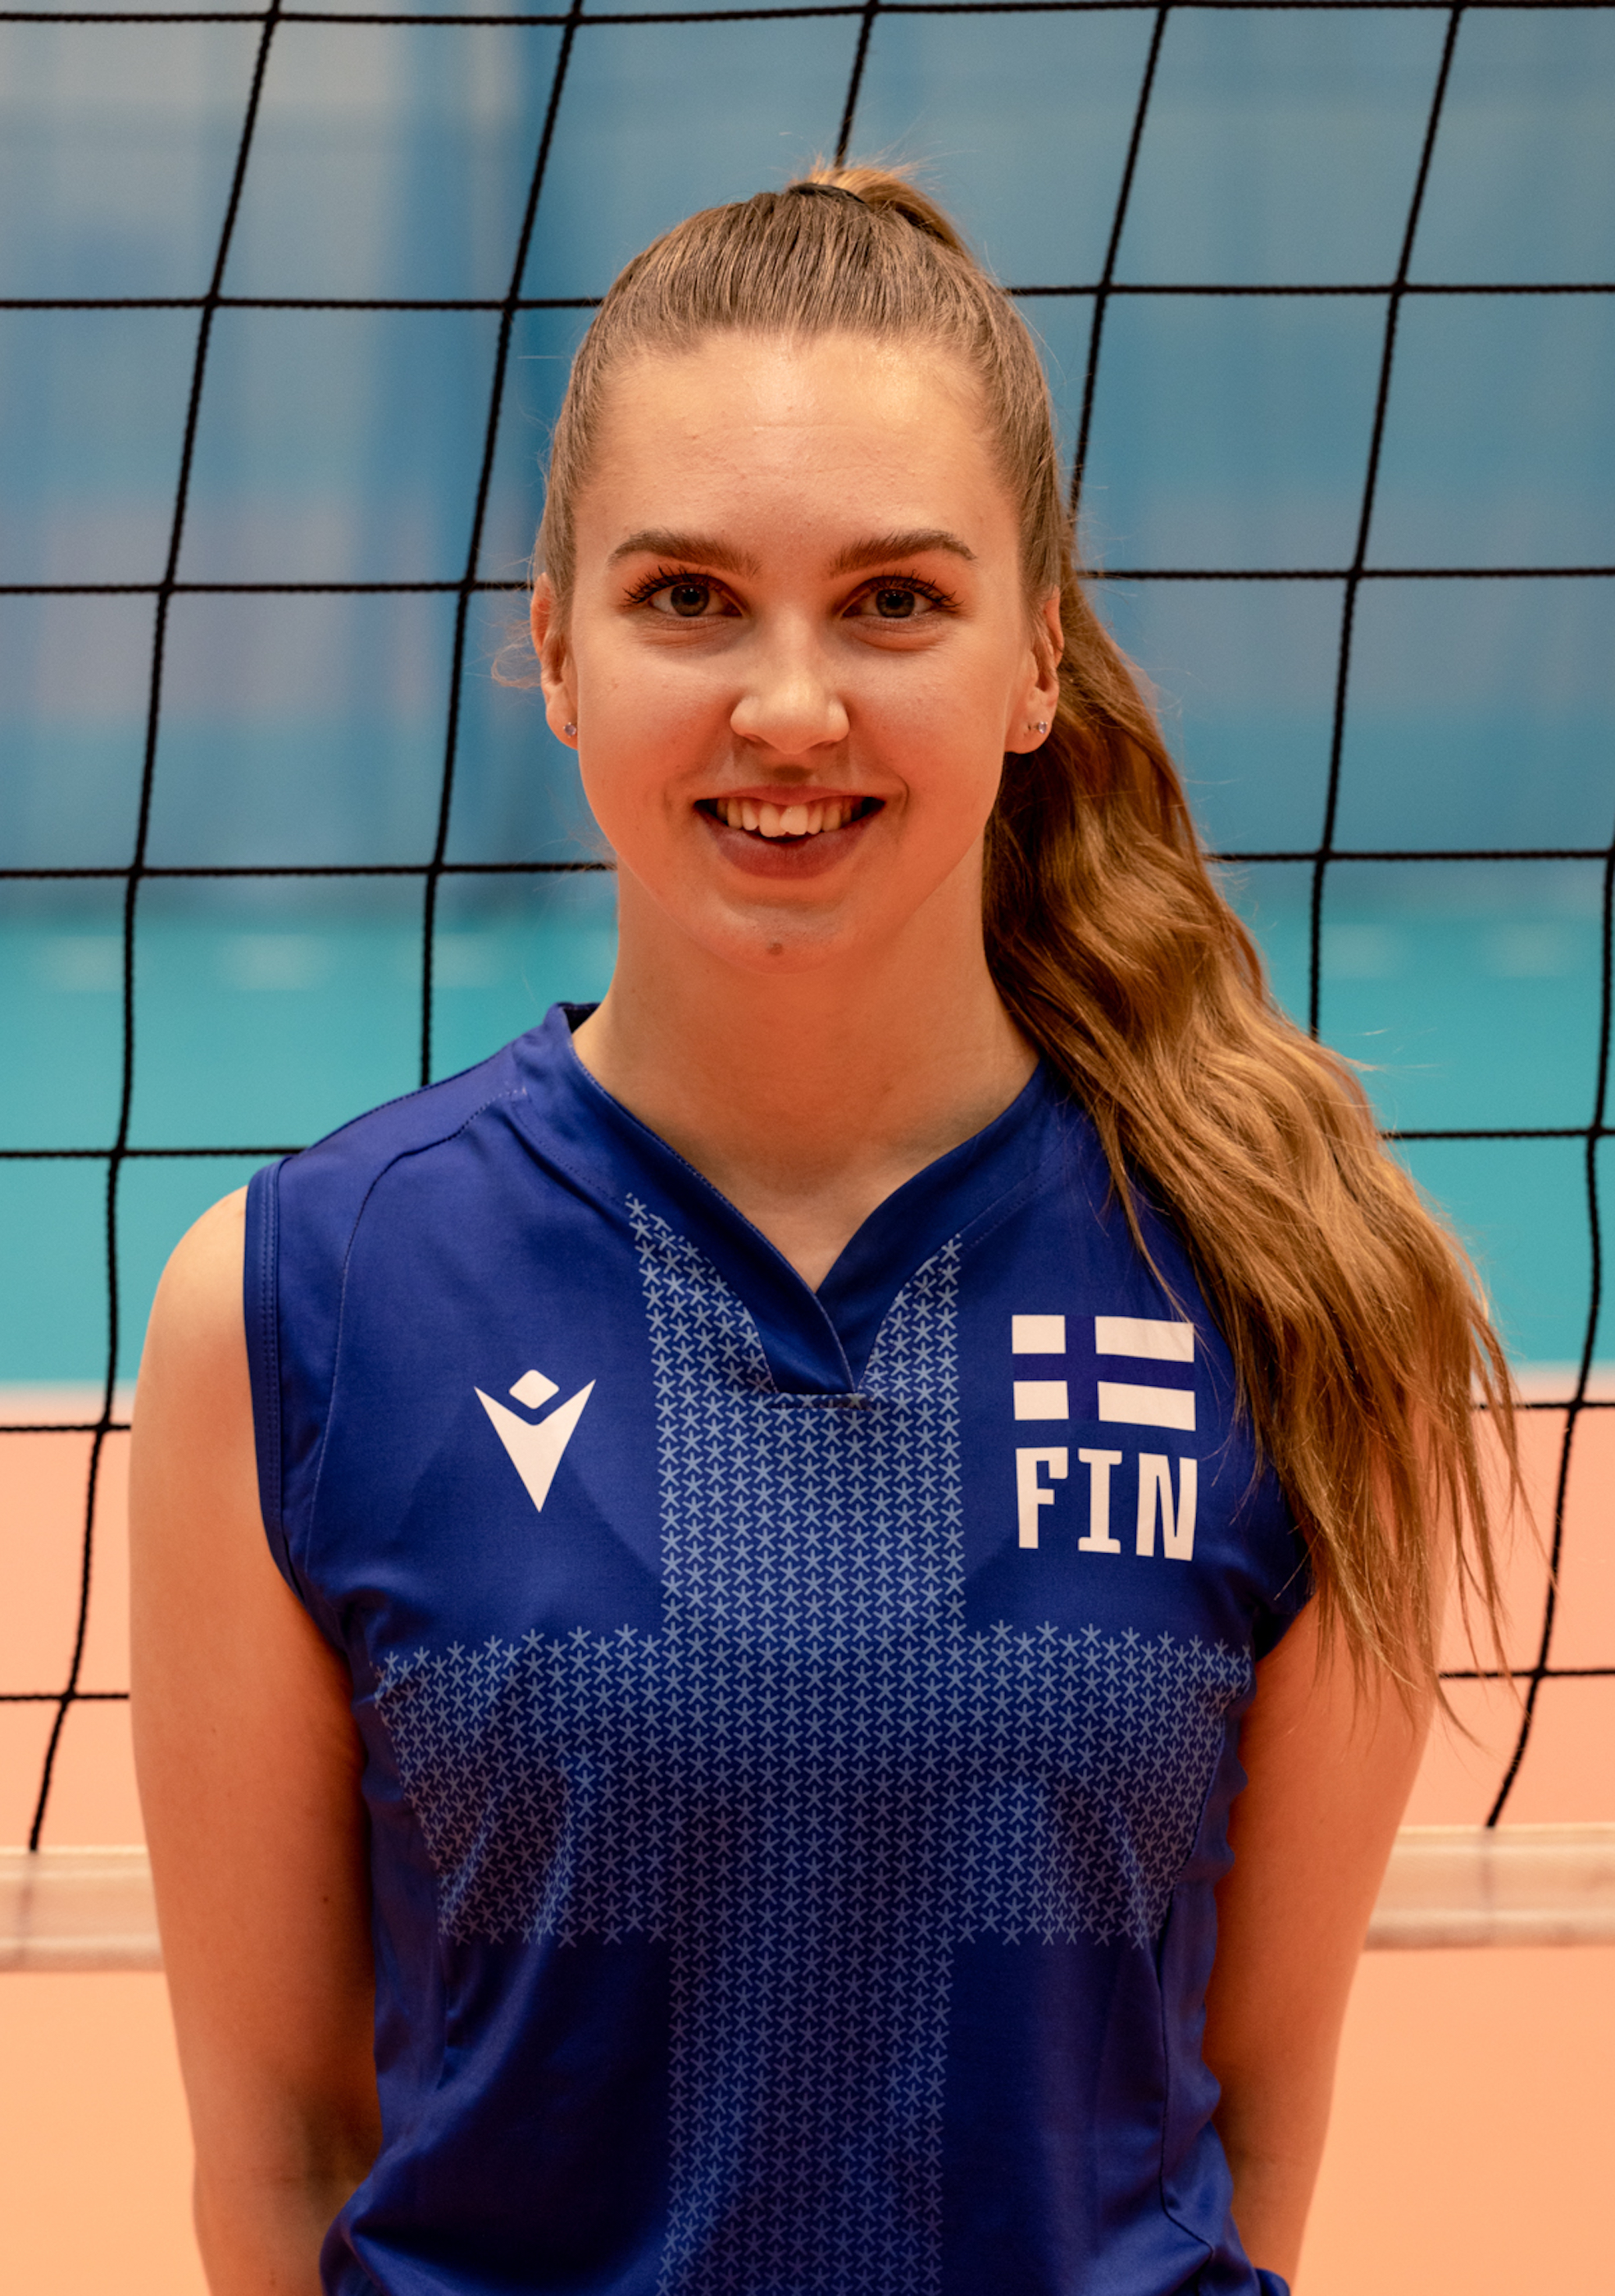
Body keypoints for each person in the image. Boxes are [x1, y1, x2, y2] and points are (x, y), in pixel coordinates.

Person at [131, 166, 1513, 2296]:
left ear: (1035, 660)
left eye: (893, 602)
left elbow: (1251, 2112)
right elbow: (281, 2151)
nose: (790, 707)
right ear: (554, 650)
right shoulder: (295, 1303)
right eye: (689, 597)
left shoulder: (1295, 1295)